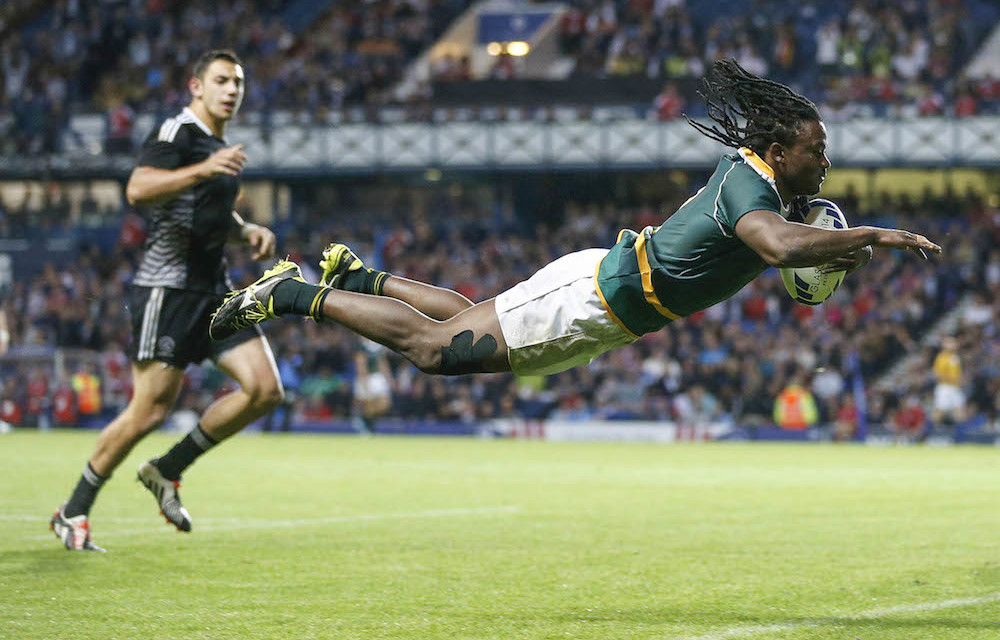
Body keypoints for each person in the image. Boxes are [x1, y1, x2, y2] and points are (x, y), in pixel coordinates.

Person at [210, 60, 941, 394]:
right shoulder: (751, 185)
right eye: (819, 150)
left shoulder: (765, 187)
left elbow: (798, 266)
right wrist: (872, 235)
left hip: (607, 308)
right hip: (597, 298)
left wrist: (842, 252)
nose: (828, 160)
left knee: (467, 323)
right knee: (436, 352)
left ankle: (362, 279)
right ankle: (293, 294)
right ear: (782, 150)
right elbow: (782, 250)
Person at [50, 50, 283, 552]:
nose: (231, 90)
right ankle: (72, 512)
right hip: (168, 288)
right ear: (195, 86)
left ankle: (166, 470)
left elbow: (208, 214)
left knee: (265, 390)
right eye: (221, 80)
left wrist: (248, 232)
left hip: (214, 288)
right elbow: (139, 189)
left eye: (238, 82)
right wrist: (203, 169)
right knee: (148, 412)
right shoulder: (177, 133)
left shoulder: (214, 144)